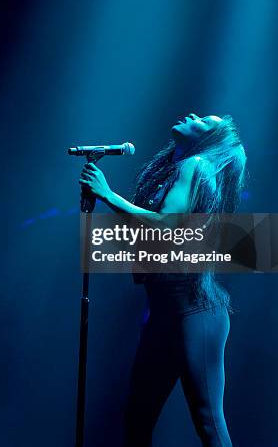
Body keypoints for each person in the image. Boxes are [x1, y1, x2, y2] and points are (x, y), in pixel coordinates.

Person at [79, 113, 247, 446]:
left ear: (208, 140)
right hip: (165, 314)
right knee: (138, 417)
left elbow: (165, 226)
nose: (192, 116)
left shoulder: (195, 166)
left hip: (195, 311)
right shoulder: (180, 169)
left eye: (203, 121)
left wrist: (107, 195)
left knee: (208, 421)